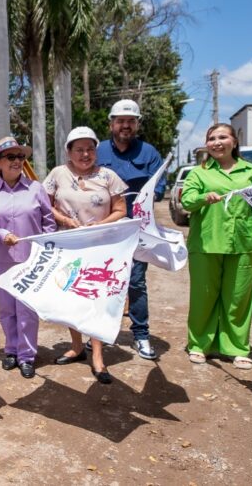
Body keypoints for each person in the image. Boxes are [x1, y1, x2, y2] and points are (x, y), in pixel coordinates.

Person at [180, 123, 252, 369]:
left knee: (238, 299)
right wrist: (204, 197)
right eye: (211, 138)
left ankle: (236, 348)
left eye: (222, 137)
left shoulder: (250, 171)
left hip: (243, 244)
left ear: (234, 141)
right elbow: (187, 201)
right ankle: (199, 345)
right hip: (206, 244)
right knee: (203, 298)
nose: (216, 142)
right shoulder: (199, 173)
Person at [43, 127, 128, 384]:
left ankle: (98, 356)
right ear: (68, 152)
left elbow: (121, 210)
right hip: (68, 246)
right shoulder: (57, 174)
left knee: (97, 299)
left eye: (90, 149)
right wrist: (64, 220)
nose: (85, 154)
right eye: (79, 149)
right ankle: (77, 346)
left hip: (100, 248)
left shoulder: (108, 176)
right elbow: (45, 205)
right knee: (72, 298)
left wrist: (101, 225)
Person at [0, 137, 56, 378]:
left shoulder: (36, 188)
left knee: (27, 310)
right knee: (7, 309)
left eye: (21, 157)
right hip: (0, 259)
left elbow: (49, 223)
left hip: (31, 260)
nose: (18, 161)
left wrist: (47, 251)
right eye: (11, 157)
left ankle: (27, 356)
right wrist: (1, 234)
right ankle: (11, 349)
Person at [96, 99, 165, 360]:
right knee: (101, 281)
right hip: (105, 229)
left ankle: (141, 335)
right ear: (111, 123)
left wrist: (148, 197)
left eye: (130, 121)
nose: (125, 125)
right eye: (120, 120)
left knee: (135, 282)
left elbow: (159, 186)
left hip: (136, 228)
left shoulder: (149, 153)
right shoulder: (98, 151)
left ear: (136, 123)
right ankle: (99, 334)